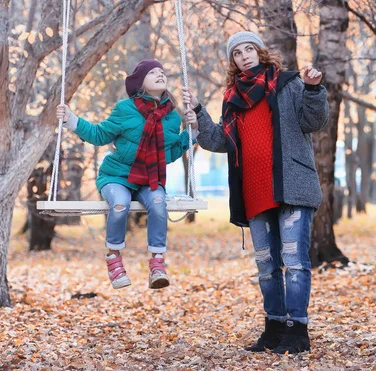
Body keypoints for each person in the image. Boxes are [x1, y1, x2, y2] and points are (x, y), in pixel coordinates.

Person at [182, 31, 328, 354]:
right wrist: (199, 113)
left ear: (260, 52)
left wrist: (315, 89)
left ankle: (298, 331)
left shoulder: (288, 83)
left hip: (292, 187)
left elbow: (314, 121)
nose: (245, 55)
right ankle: (274, 328)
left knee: (294, 261)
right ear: (233, 61)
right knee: (266, 265)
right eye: (238, 53)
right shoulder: (233, 96)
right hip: (255, 190)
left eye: (250, 49)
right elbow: (219, 141)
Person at [56, 59, 197, 290]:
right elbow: (99, 135)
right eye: (153, 72)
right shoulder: (125, 109)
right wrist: (72, 120)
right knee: (120, 204)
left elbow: (169, 153)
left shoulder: (172, 116)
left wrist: (194, 132)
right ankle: (114, 258)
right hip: (117, 176)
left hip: (149, 178)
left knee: (159, 202)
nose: (160, 74)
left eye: (162, 71)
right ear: (141, 82)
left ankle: (157, 264)